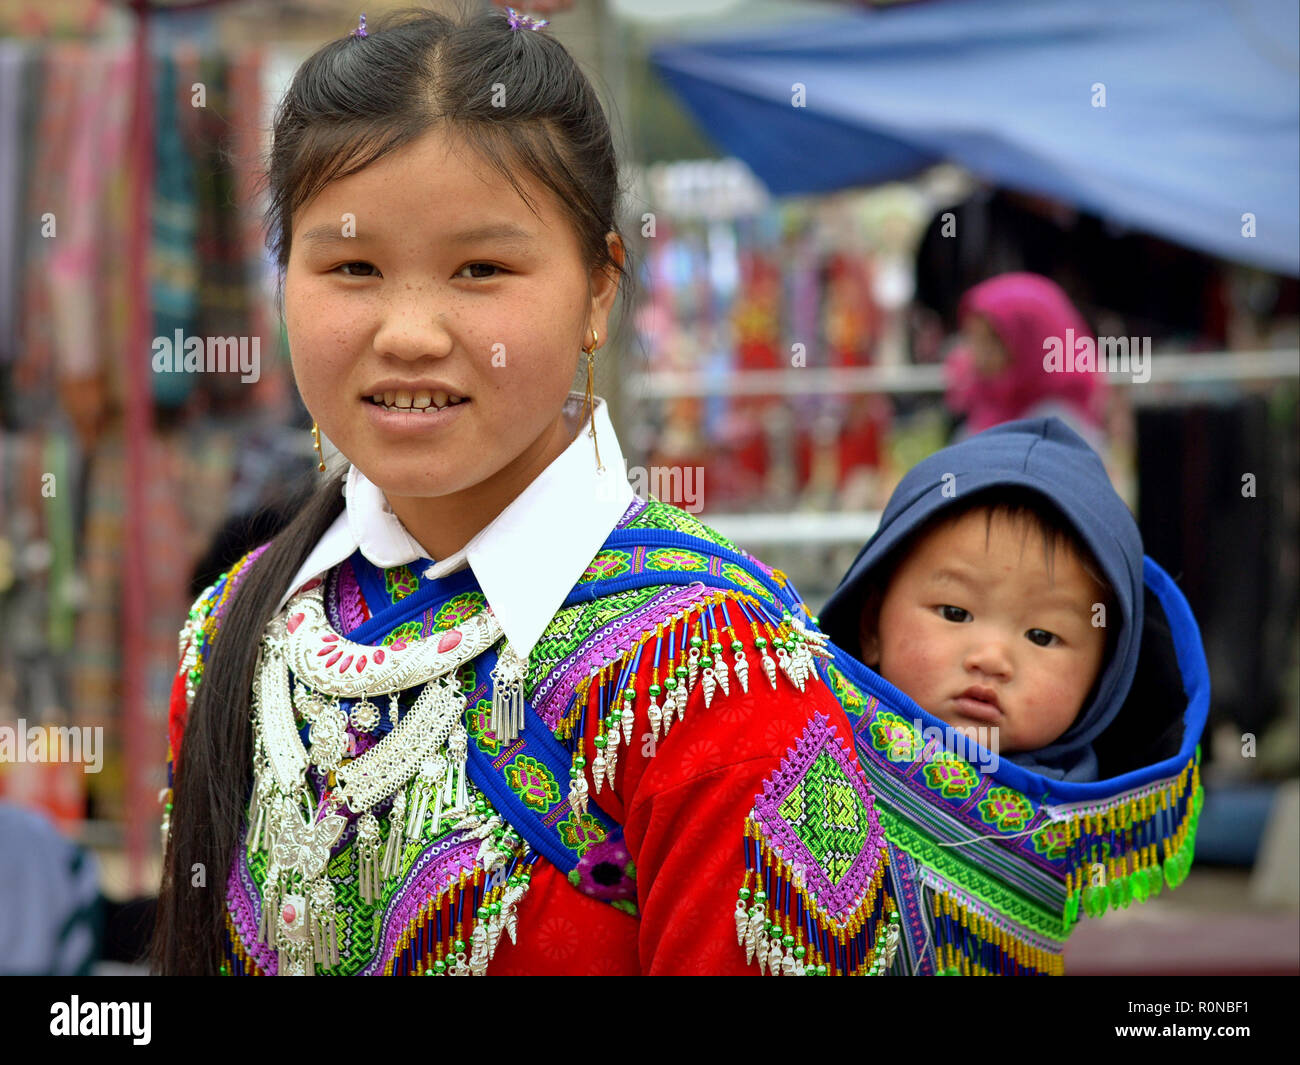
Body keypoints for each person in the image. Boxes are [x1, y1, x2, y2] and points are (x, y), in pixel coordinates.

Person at [149, 6, 898, 977]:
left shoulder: (719, 679)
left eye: (480, 268)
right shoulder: (234, 628)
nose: (410, 331)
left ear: (597, 289)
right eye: (353, 267)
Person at [817, 418, 1208, 972]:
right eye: (955, 612)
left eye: (1042, 636)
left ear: (1105, 680)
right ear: (872, 622)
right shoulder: (800, 748)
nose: (992, 659)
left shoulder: (1078, 817)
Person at [944, 273, 1108, 453]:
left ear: (1032, 343)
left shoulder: (1057, 428)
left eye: (991, 341)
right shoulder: (982, 412)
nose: (977, 355)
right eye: (972, 338)